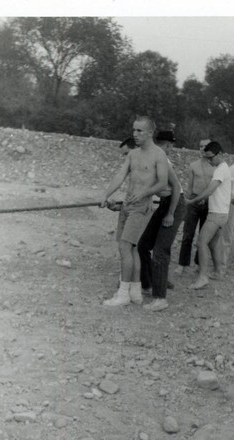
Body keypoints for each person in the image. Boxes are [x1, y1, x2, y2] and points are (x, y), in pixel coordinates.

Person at [100, 116, 168, 306]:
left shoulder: (158, 154)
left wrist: (144, 194)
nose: (135, 134)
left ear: (150, 132)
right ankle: (136, 292)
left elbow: (162, 182)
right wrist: (106, 195)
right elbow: (120, 175)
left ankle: (122, 294)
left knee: (124, 247)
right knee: (132, 248)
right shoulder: (133, 154)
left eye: (139, 131)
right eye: (133, 130)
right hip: (128, 206)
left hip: (142, 207)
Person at [138, 130, 186, 312]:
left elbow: (177, 188)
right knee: (143, 245)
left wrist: (170, 214)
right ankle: (150, 284)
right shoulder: (153, 158)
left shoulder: (163, 160)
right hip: (165, 203)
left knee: (160, 251)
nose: (170, 148)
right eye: (170, 145)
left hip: (175, 204)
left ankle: (160, 298)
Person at [187, 141, 231, 290]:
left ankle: (203, 277)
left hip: (216, 214)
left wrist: (193, 200)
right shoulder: (224, 168)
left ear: (220, 155)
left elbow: (210, 190)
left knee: (201, 242)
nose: (209, 161)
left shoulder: (220, 169)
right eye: (207, 158)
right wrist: (203, 199)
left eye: (211, 158)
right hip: (222, 213)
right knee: (212, 243)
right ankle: (219, 272)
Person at [175, 138, 214, 275]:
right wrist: (189, 200)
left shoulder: (216, 166)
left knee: (204, 236)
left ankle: (199, 263)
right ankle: (182, 263)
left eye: (206, 146)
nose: (203, 149)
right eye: (201, 146)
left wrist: (206, 198)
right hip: (194, 202)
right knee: (188, 234)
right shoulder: (194, 165)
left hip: (210, 202)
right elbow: (190, 187)